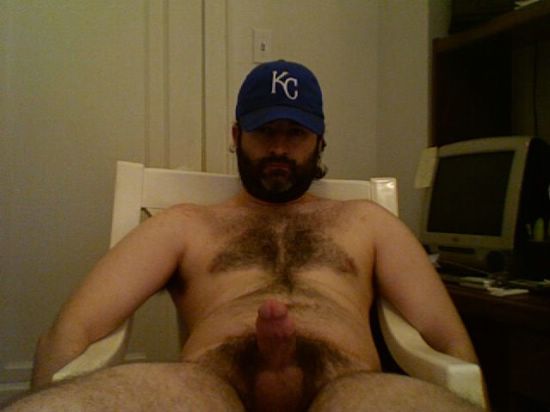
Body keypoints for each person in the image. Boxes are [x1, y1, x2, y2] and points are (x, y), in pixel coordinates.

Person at [4, 60, 483, 411]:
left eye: (295, 133)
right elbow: (72, 329)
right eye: (264, 131)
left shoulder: (367, 223)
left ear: (319, 140)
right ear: (236, 136)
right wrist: (50, 389)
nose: (279, 148)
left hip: (350, 390)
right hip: (207, 389)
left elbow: (447, 339)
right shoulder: (185, 225)